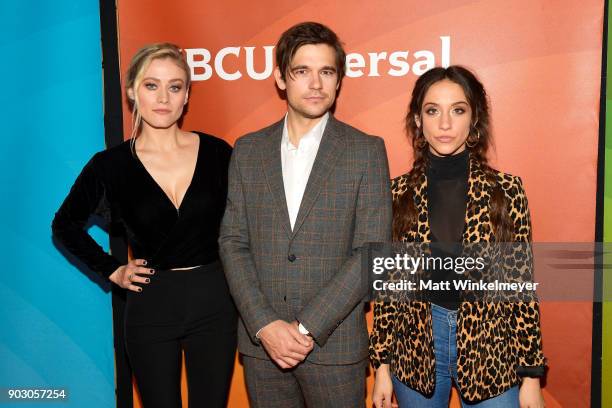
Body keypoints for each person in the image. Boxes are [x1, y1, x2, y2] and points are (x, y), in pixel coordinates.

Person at [52, 43, 237, 408]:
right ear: (132, 92)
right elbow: (65, 224)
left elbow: (248, 228)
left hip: (216, 299)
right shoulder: (109, 166)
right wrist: (112, 270)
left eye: (175, 86)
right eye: (152, 85)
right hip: (151, 303)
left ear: (186, 95)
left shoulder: (219, 153)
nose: (163, 98)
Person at [219, 22, 392, 407]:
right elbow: (233, 242)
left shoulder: (365, 150)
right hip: (263, 348)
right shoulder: (248, 150)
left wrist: (305, 327)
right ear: (281, 78)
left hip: (335, 349)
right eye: (302, 71)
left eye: (326, 72)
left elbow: (371, 253)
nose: (316, 84)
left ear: (338, 80)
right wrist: (263, 323)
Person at [369, 66, 546, 408]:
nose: (445, 124)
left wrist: (531, 376)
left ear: (474, 118)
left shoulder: (506, 191)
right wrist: (382, 365)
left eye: (458, 110)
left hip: (491, 344)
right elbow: (391, 287)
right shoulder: (397, 193)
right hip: (416, 345)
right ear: (418, 120)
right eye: (433, 110)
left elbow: (519, 286)